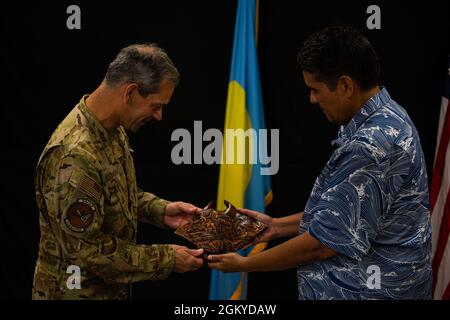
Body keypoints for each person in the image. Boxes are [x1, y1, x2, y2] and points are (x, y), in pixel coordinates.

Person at [208, 25, 432, 299]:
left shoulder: (372, 145)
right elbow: (346, 215)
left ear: (346, 85)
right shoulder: (388, 115)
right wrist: (276, 226)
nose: (312, 99)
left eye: (315, 89)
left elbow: (321, 245)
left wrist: (244, 264)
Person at [33, 43, 204, 300]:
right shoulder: (76, 155)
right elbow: (85, 251)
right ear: (131, 93)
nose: (159, 116)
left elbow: (114, 197)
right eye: (156, 106)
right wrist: (166, 258)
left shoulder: (112, 128)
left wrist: (162, 211)